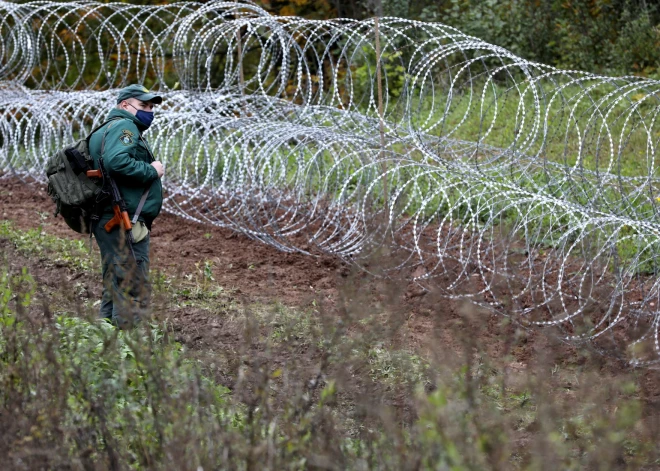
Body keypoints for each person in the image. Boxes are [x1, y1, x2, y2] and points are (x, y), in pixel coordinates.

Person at [88, 84, 165, 327]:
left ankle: (106, 340)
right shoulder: (125, 126)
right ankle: (129, 348)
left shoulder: (106, 128)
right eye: (143, 105)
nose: (149, 111)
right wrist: (152, 171)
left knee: (116, 281)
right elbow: (116, 162)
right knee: (133, 284)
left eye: (151, 106)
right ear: (124, 106)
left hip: (108, 217)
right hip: (123, 219)